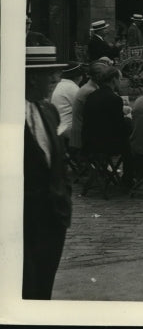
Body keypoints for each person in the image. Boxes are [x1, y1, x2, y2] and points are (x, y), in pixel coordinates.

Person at [23, 44, 72, 300]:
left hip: (52, 219)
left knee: (43, 290)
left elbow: (59, 162)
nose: (56, 79)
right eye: (50, 73)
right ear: (32, 77)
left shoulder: (48, 110)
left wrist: (65, 196)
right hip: (20, 224)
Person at [82, 66, 135, 185]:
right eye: (120, 79)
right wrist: (128, 122)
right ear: (114, 80)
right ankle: (128, 180)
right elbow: (119, 127)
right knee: (131, 145)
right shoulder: (114, 98)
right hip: (104, 144)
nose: (121, 83)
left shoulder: (93, 95)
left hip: (89, 142)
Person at [50, 62, 84, 140]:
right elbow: (84, 109)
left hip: (57, 127)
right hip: (68, 131)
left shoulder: (59, 85)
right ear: (78, 76)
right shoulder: (72, 87)